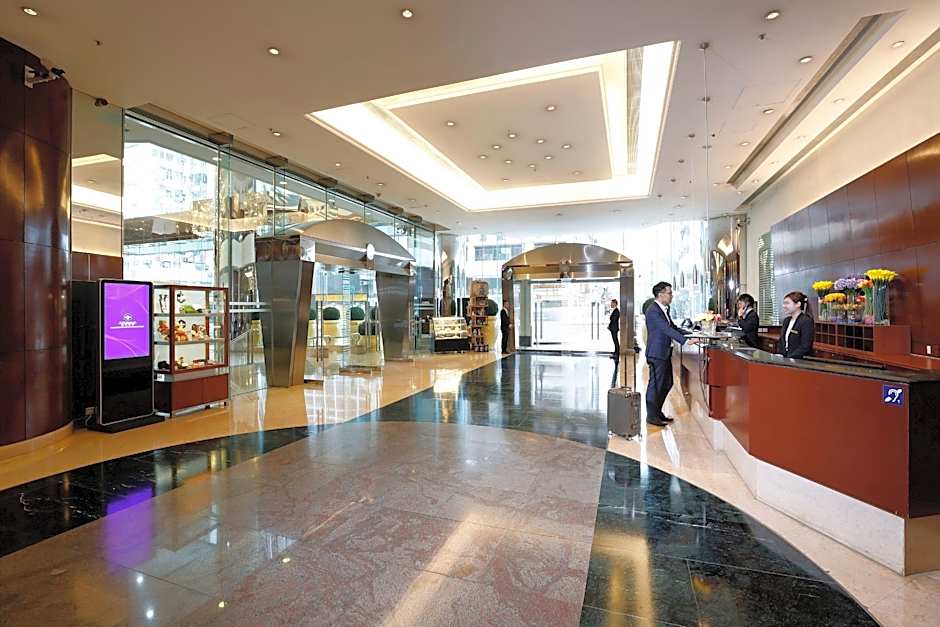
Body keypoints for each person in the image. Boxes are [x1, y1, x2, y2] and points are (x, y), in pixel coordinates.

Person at [645, 281, 697, 426]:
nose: (671, 296)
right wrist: (685, 341)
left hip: (664, 352)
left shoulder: (663, 310)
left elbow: (672, 327)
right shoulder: (653, 311)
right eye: (669, 293)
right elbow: (665, 329)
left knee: (667, 383)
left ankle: (657, 412)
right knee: (656, 386)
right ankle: (651, 416)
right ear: (660, 294)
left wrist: (690, 334)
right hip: (656, 353)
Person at [779, 291, 814, 359]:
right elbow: (781, 342)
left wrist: (789, 358)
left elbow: (805, 346)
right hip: (785, 360)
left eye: (787, 303)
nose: (784, 306)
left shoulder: (806, 321)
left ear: (798, 304)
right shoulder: (786, 321)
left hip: (798, 361)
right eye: (784, 303)